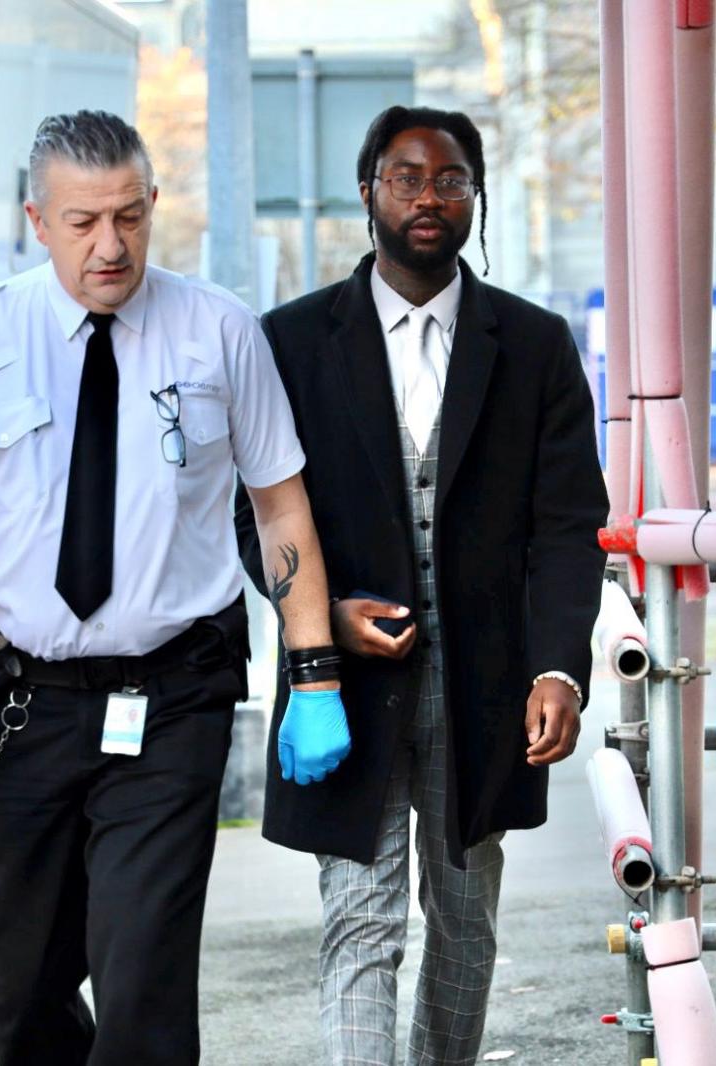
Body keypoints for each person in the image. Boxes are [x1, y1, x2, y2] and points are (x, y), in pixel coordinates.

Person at [0, 110, 352, 1066]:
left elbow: (280, 510)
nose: (112, 245)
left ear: (152, 205)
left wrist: (315, 676)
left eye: (131, 218)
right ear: (36, 219)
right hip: (23, 708)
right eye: (84, 221)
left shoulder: (218, 330)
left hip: (172, 701)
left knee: (141, 979)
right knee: (21, 985)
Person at [236, 105, 608, 1065]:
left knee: (463, 926)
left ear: (475, 200)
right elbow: (256, 514)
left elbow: (568, 529)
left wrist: (558, 671)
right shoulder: (289, 342)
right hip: (345, 685)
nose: (429, 197)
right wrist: (322, 619)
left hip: (488, 692)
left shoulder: (534, 345)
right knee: (359, 926)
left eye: (450, 180)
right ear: (369, 193)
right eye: (406, 177)